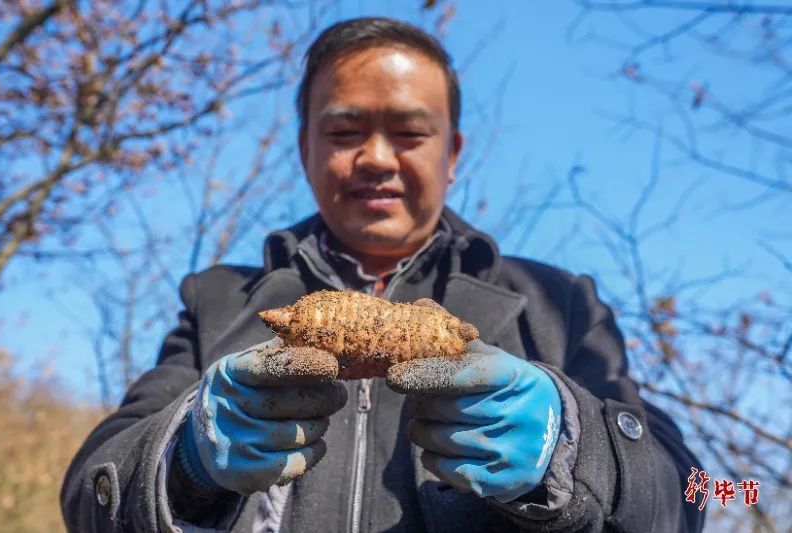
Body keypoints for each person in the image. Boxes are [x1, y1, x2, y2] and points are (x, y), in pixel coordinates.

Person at [62, 17, 705, 533]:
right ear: (305, 149)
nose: (375, 158)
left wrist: (575, 448)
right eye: (344, 131)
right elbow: (88, 494)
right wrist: (183, 462)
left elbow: (693, 495)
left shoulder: (560, 304)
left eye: (408, 132)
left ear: (452, 153)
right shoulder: (219, 300)